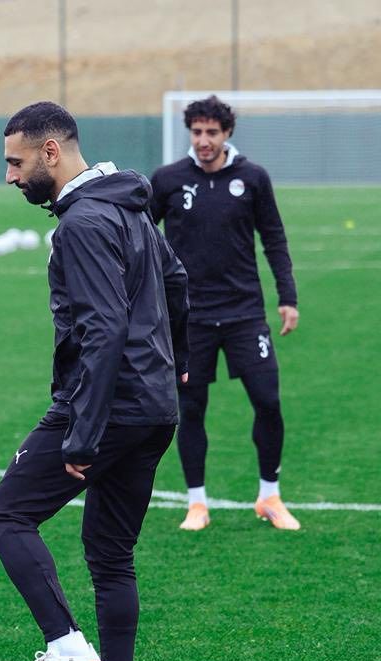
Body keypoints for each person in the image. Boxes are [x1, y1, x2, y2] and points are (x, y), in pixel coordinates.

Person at [0, 102, 189, 661]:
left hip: (108, 407)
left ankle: (66, 647)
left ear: (51, 152)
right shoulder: (128, 205)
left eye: (16, 162)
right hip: (153, 407)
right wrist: (178, 365)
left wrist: (83, 432)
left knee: (6, 516)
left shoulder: (83, 222)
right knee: (110, 553)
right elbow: (177, 282)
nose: (10, 176)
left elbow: (104, 329)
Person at [150, 95, 301, 532]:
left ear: (227, 133)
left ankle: (269, 496)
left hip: (244, 313)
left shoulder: (252, 178)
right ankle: (197, 503)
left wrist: (287, 296)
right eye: (197, 132)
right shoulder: (168, 180)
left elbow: (274, 237)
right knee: (192, 408)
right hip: (189, 318)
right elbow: (141, 235)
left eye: (212, 133)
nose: (203, 140)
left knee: (268, 401)